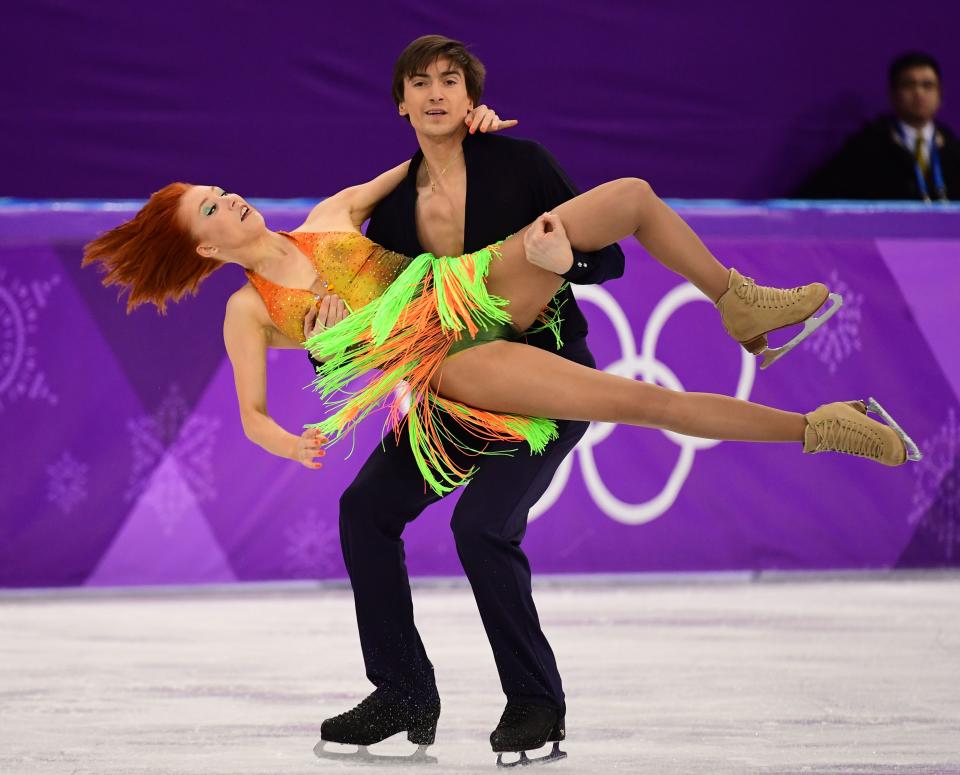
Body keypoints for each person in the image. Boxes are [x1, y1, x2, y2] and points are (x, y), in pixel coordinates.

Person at [83, 120, 920, 771]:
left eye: (223, 190)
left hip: (468, 284)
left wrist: (467, 126)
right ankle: (823, 425)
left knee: (626, 195)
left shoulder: (332, 215)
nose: (230, 201)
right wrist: (294, 444)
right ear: (203, 246)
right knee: (635, 401)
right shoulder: (250, 313)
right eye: (211, 209)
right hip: (452, 363)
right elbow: (253, 415)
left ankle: (740, 301)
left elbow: (420, 167)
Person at [303, 35, 627, 767]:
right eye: (422, 82)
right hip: (457, 393)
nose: (437, 92)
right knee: (366, 509)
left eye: (451, 79)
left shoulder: (522, 165)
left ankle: (536, 702)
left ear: (471, 98)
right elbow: (373, 327)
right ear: (402, 103)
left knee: (482, 527)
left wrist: (567, 260)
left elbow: (610, 256)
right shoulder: (388, 217)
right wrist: (326, 339)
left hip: (547, 380)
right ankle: (403, 692)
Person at [797, 51, 960, 201]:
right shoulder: (867, 148)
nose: (919, 93)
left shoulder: (953, 150)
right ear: (893, 95)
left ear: (940, 95)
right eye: (909, 85)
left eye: (928, 85)